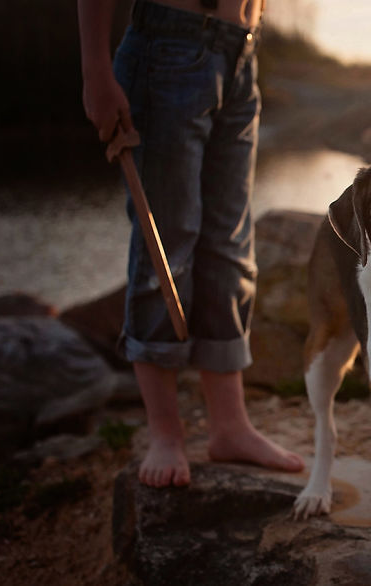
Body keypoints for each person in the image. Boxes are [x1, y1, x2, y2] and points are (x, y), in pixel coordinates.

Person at [77, 0, 304, 487]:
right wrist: (94, 68)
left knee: (228, 248)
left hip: (241, 52)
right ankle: (165, 432)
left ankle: (230, 426)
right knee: (165, 246)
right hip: (169, 48)